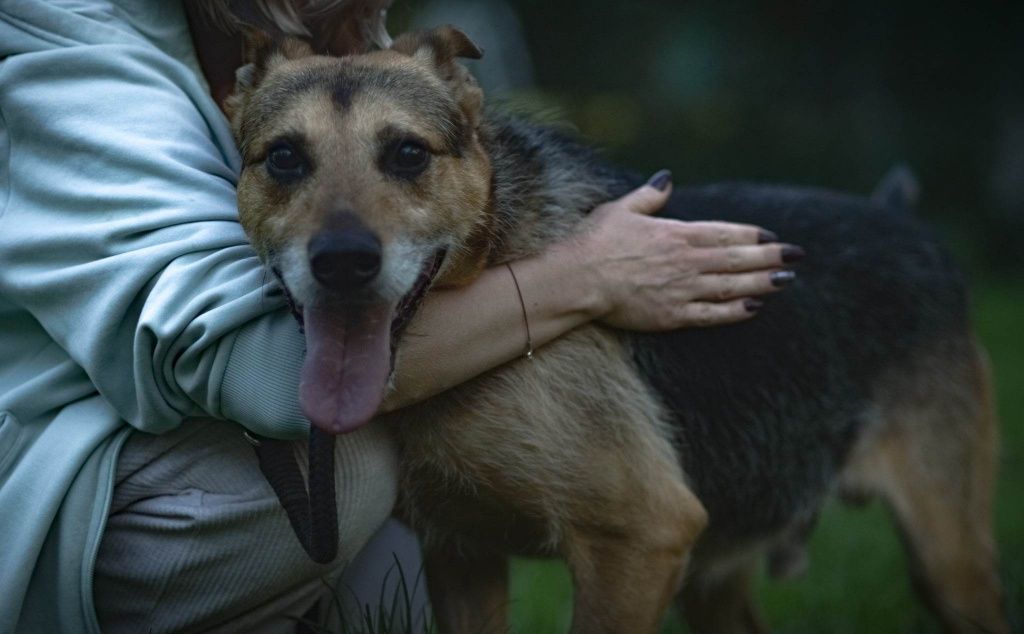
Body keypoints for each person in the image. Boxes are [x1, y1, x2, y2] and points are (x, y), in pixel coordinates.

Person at [0, 0, 799, 631]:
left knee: (401, 515)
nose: (347, 233)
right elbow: (258, 374)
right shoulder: (73, 56)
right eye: (286, 160)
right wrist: (585, 276)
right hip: (81, 474)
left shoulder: (347, 49)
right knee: (354, 453)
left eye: (406, 158)